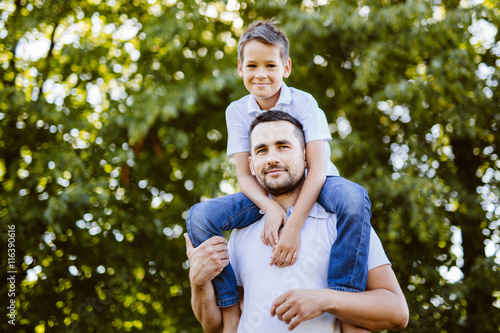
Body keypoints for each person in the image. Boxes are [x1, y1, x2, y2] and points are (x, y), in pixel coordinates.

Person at [186, 18, 371, 317]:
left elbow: (319, 169)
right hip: (264, 191)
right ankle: (231, 308)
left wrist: (293, 225)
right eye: (253, 66)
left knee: (353, 198)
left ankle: (344, 297)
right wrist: (271, 209)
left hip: (317, 183)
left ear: (286, 68)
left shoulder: (304, 102)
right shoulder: (236, 111)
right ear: (240, 67)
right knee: (199, 216)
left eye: (271, 66)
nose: (261, 75)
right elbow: (245, 176)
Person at [184, 111, 409, 332]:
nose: (272, 158)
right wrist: (199, 282)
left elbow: (397, 312)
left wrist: (324, 300)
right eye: (262, 150)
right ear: (251, 165)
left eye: (283, 146)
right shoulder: (240, 233)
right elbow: (216, 327)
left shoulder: (344, 221)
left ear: (305, 154)